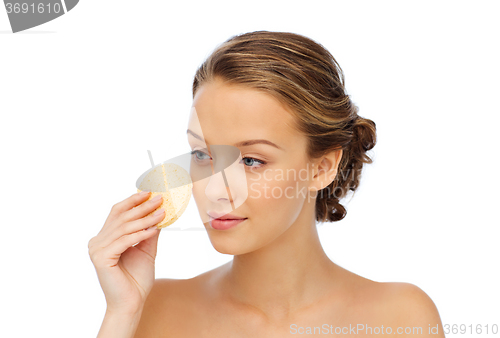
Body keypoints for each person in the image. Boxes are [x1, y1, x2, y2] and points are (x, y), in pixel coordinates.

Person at [88, 30, 445, 337]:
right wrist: (121, 314)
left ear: (321, 167)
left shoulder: (401, 319)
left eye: (251, 160)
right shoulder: (156, 310)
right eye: (201, 155)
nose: (215, 189)